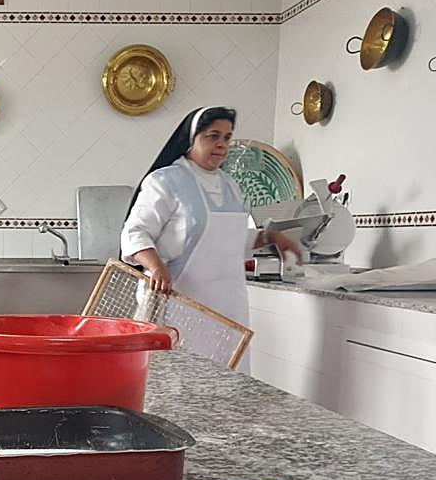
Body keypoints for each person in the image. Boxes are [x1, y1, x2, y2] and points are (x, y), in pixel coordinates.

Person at [120, 106, 302, 370]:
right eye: (212, 136)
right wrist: (156, 266)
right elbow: (135, 232)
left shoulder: (230, 185)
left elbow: (232, 241)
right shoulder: (166, 180)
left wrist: (271, 237)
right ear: (191, 138)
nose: (221, 145)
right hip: (180, 305)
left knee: (226, 385)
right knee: (177, 381)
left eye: (227, 138)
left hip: (227, 309)